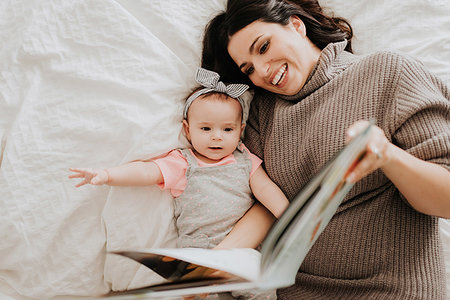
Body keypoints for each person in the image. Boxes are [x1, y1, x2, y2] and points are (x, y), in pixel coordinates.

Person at [201, 0, 450, 299]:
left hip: (392, 290)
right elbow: (269, 206)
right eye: (248, 68)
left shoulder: (388, 73)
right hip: (294, 291)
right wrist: (212, 264)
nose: (263, 71)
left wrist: (388, 156)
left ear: (296, 25)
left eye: (264, 47)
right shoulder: (261, 114)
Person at [69, 67, 288, 299]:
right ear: (188, 130)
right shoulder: (184, 162)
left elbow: (264, 188)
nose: (217, 136)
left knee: (260, 285)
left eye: (227, 129)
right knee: (198, 291)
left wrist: (287, 212)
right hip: (198, 249)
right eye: (206, 128)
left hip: (245, 246)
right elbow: (147, 171)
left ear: (240, 130)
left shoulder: (245, 159)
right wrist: (108, 175)